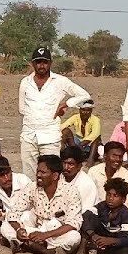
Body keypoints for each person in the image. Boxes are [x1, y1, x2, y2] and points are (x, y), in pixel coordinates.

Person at [18, 46, 90, 180]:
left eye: (45, 62)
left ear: (50, 63)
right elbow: (22, 109)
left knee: (52, 175)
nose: (41, 65)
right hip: (28, 135)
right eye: (38, 62)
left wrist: (66, 104)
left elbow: (84, 95)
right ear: (33, 63)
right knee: (29, 177)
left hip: (50, 136)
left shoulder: (60, 81)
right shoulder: (25, 82)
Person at [0, 154, 84, 254]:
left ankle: (26, 245)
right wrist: (19, 230)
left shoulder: (71, 191)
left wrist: (45, 235)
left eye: (43, 172)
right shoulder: (32, 187)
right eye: (38, 171)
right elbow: (13, 212)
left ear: (55, 176)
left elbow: (73, 223)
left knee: (74, 237)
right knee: (7, 225)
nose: (38, 175)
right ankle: (45, 250)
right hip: (34, 231)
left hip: (53, 234)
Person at [60, 100, 101, 164]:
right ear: (80, 110)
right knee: (65, 131)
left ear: (91, 111)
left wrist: (83, 143)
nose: (85, 112)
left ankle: (90, 159)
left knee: (97, 138)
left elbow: (95, 133)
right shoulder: (75, 117)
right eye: (83, 110)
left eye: (88, 110)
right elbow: (63, 126)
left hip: (89, 144)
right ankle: (63, 155)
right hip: (77, 141)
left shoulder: (95, 120)